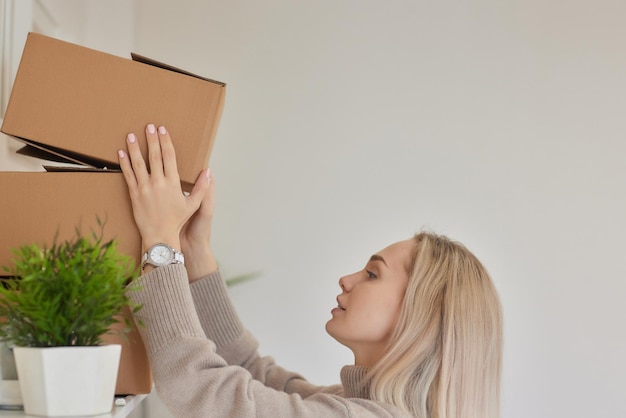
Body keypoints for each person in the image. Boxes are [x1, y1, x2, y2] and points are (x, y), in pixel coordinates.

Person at [117, 123, 503, 418]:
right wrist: (193, 249)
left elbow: (205, 390)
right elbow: (251, 372)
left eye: (372, 274)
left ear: (420, 312)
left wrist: (161, 245)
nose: (347, 279)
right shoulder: (355, 406)